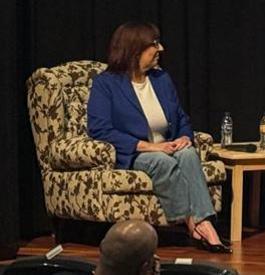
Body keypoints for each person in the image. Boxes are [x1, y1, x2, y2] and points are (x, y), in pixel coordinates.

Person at [87, 22, 231, 253]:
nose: (161, 49)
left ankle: (203, 222)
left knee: (188, 154)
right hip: (135, 152)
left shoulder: (160, 79)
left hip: (167, 145)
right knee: (163, 162)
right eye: (154, 44)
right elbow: (99, 129)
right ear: (135, 50)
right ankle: (193, 224)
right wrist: (148, 146)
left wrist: (184, 137)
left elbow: (181, 117)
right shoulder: (106, 84)